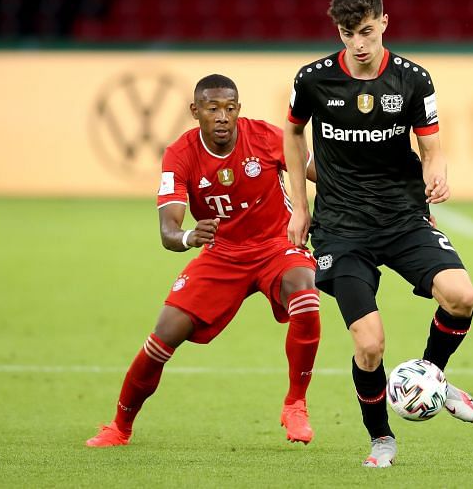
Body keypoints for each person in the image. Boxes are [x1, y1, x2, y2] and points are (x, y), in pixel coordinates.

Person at [283, 0, 473, 468]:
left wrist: (438, 176)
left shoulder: (414, 79)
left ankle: (431, 375)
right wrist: (300, 206)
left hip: (402, 217)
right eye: (348, 34)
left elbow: (431, 147)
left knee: (461, 295)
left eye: (367, 31)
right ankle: (381, 439)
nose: (359, 44)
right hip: (341, 228)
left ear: (384, 24)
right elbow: (291, 134)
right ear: (338, 31)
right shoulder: (313, 79)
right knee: (369, 344)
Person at [86, 74, 321, 447]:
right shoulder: (179, 154)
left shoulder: (266, 136)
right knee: (164, 335)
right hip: (222, 254)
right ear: (195, 111)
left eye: (230, 108)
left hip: (276, 244)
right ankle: (119, 427)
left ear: (239, 110)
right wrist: (187, 237)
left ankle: (295, 402)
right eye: (213, 109)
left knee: (305, 292)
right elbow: (168, 230)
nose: (222, 116)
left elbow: (325, 175)